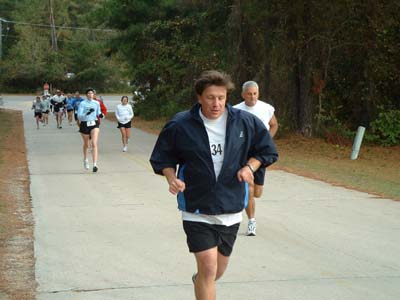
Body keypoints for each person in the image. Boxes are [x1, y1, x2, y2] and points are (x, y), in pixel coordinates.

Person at [150, 70, 278, 300]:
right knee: (208, 268)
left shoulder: (244, 122)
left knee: (216, 271)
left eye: (221, 97)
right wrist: (171, 178)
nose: (216, 103)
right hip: (196, 207)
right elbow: (162, 157)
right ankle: (203, 280)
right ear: (199, 97)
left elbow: (267, 151)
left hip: (230, 206)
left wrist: (250, 168)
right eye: (210, 97)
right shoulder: (181, 124)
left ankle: (200, 281)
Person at [233, 81, 279, 236]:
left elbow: (274, 125)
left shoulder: (266, 108)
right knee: (249, 188)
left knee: (257, 192)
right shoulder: (236, 110)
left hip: (260, 153)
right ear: (243, 94)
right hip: (244, 152)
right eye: (249, 93)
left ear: (258, 94)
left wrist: (267, 140)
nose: (252, 96)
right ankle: (251, 221)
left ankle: (246, 198)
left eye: (255, 93)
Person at [77, 88, 104, 172]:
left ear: (93, 95)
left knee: (94, 143)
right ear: (86, 95)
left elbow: (98, 113)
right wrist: (86, 113)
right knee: (86, 145)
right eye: (88, 93)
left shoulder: (96, 103)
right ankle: (85, 159)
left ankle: (95, 164)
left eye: (92, 93)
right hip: (85, 124)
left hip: (94, 123)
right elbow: (79, 116)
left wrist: (101, 115)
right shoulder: (82, 103)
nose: (90, 94)